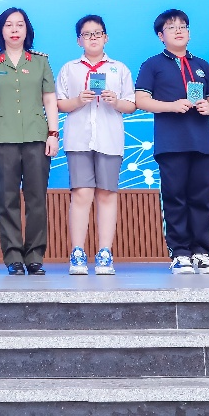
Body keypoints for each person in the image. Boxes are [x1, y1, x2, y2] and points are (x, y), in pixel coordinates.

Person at [135, 9, 209, 275]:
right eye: (171, 27)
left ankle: (202, 252)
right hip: (171, 143)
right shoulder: (152, 65)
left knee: (203, 199)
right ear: (160, 36)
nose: (178, 31)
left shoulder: (202, 65)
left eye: (183, 26)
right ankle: (180, 253)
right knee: (175, 198)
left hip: (203, 143)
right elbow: (141, 100)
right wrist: (171, 106)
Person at [0, 7, 59, 276]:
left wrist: (53, 134)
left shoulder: (40, 61)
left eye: (20, 25)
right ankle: (13, 256)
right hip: (2, 139)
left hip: (37, 137)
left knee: (37, 199)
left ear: (27, 30)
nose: (14, 30)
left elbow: (49, 99)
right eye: (9, 25)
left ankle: (35, 256)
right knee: (6, 199)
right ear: (0, 30)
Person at [54, 15, 136, 276]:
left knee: (107, 194)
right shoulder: (69, 69)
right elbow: (59, 104)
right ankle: (77, 252)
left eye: (97, 33)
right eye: (87, 34)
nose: (92, 38)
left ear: (106, 37)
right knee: (81, 194)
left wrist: (116, 101)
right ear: (79, 40)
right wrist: (79, 100)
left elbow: (131, 104)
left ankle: (104, 252)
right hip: (78, 139)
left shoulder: (119, 69)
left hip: (109, 140)